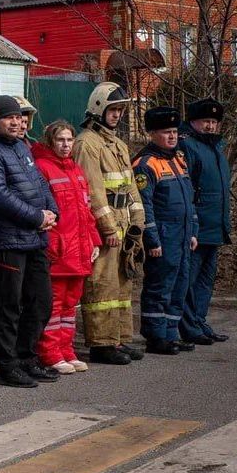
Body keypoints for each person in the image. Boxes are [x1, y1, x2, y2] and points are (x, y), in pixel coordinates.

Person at [0, 96, 60, 388]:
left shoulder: (21, 146)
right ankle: (7, 365)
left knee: (40, 301)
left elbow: (39, 182)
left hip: (33, 238)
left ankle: (27, 358)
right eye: (9, 117)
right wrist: (36, 217)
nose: (16, 122)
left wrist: (51, 210)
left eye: (18, 117)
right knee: (8, 305)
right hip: (6, 240)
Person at [73, 82, 146, 366]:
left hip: (125, 222)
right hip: (107, 224)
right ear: (98, 109)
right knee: (102, 285)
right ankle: (102, 344)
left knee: (122, 283)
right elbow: (92, 190)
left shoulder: (117, 143)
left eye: (120, 110)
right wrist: (105, 227)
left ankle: (119, 339)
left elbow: (129, 187)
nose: (117, 115)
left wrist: (138, 220)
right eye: (113, 109)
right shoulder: (86, 143)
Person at [32, 121, 101, 374]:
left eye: (69, 140)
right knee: (54, 305)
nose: (65, 145)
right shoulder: (43, 168)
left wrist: (94, 240)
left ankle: (66, 350)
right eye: (60, 140)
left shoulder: (76, 170)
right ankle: (50, 353)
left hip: (79, 250)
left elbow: (86, 211)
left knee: (70, 305)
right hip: (59, 250)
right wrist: (51, 243)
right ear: (51, 141)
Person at [133, 106, 199, 355]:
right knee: (159, 286)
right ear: (152, 134)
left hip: (181, 235)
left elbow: (190, 199)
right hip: (163, 235)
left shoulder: (178, 159)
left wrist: (193, 230)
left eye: (174, 132)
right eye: (166, 132)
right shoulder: (145, 164)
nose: (172, 136)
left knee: (179, 285)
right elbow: (144, 206)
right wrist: (152, 240)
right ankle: (156, 335)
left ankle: (171, 333)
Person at [180, 98, 231, 344]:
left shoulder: (216, 148)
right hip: (198, 226)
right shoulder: (188, 146)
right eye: (205, 121)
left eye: (213, 121)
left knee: (205, 281)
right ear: (193, 122)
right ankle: (188, 325)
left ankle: (199, 322)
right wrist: (192, 222)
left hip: (215, 226)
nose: (210, 126)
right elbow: (186, 188)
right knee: (190, 280)